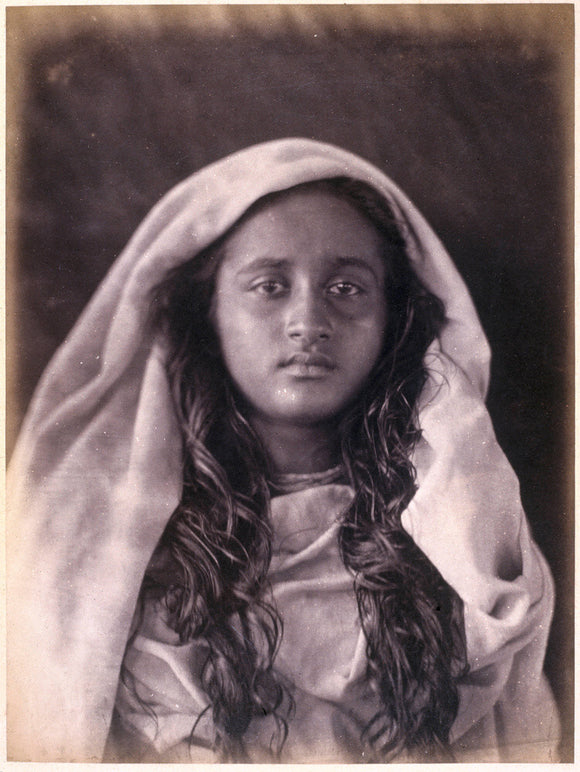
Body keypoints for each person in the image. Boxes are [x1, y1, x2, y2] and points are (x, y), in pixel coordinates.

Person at [7, 138, 559, 763]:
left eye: (347, 288)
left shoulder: (470, 547)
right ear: (208, 314)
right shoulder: (105, 551)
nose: (308, 321)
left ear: (393, 318)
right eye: (269, 286)